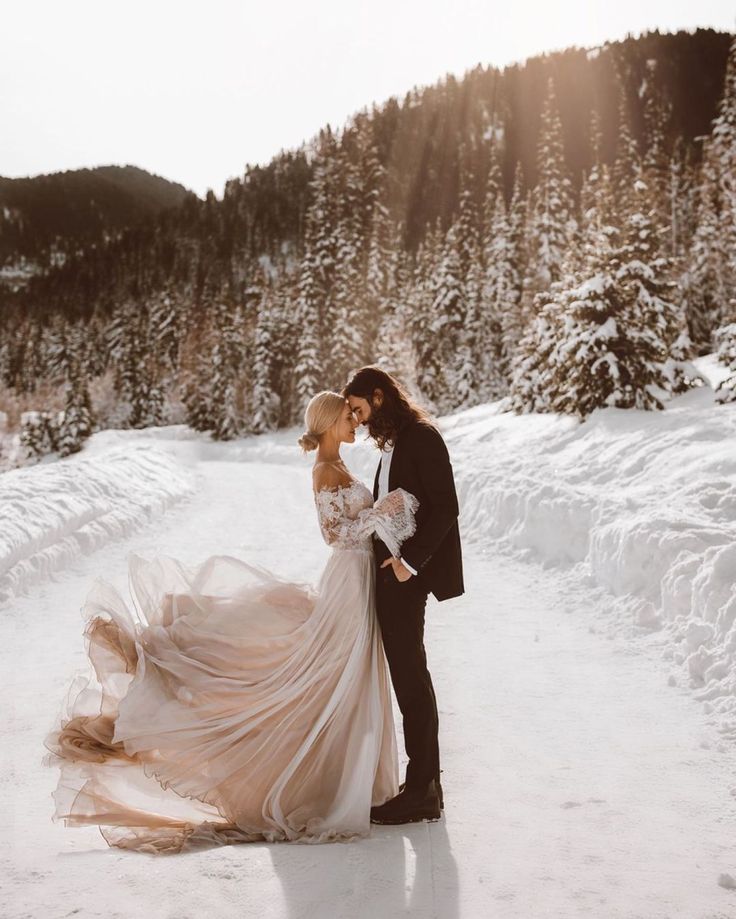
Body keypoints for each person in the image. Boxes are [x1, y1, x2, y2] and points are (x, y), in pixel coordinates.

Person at [43, 391, 420, 854]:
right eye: (347, 417)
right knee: (331, 675)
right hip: (348, 578)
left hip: (362, 579)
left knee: (349, 678)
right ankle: (326, 784)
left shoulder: (340, 465)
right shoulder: (324, 471)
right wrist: (379, 514)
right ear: (327, 423)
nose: (355, 424)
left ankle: (351, 778)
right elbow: (334, 535)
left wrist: (384, 519)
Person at [343, 366, 464, 825]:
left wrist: (408, 563)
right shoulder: (393, 443)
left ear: (379, 396)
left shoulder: (422, 437)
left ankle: (422, 790)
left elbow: (446, 506)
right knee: (408, 676)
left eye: (358, 409)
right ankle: (425, 783)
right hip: (394, 574)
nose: (357, 419)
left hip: (408, 575)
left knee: (411, 678)